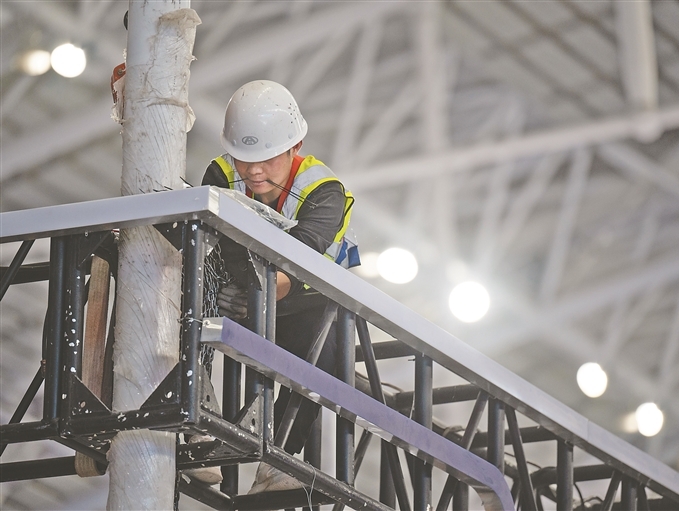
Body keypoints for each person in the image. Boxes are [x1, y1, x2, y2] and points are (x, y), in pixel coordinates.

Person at [201, 80, 359, 493]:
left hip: (305, 303)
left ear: (295, 146)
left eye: (267, 159)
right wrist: (235, 290)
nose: (253, 171)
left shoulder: (324, 191)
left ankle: (280, 460)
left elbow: (298, 261)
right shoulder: (221, 174)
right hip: (238, 293)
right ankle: (196, 424)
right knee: (185, 285)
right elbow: (213, 242)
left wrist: (259, 295)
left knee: (329, 350)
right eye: (243, 158)